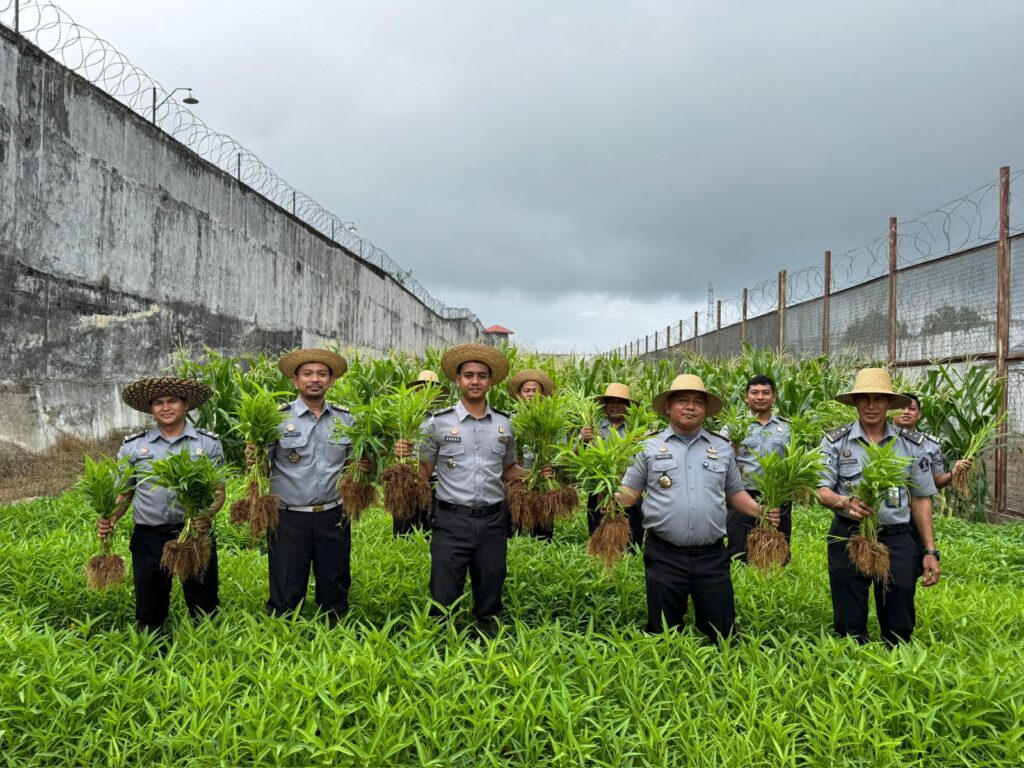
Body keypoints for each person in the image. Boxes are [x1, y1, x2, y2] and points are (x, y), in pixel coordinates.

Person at [616, 375, 779, 642]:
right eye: (682, 400)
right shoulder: (647, 446)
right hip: (664, 554)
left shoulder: (722, 448)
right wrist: (608, 492)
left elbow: (735, 493)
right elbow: (629, 494)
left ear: (705, 410)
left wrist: (760, 511)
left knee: (722, 633)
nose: (690, 406)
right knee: (663, 633)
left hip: (712, 556)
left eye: (697, 402)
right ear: (668, 407)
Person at [394, 343, 529, 636]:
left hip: (493, 520)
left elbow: (509, 470)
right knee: (444, 585)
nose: (475, 381)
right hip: (451, 518)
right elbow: (424, 472)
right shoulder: (438, 423)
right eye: (469, 375)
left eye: (482, 375)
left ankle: (487, 633)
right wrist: (402, 460)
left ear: (490, 382)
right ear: (458, 380)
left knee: (492, 580)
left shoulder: (505, 424)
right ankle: (442, 640)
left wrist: (539, 474)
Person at [816, 368, 940, 646]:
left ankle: (895, 666)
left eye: (879, 399)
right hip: (850, 535)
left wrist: (930, 551)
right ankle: (852, 667)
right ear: (856, 402)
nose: (871, 405)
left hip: (896, 538)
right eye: (864, 399)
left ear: (889, 404)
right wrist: (843, 502)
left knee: (899, 621)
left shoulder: (910, 445)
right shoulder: (837, 441)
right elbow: (821, 489)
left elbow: (921, 498)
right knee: (848, 619)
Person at [97, 376, 224, 636]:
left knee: (204, 602)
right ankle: (152, 656)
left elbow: (218, 491)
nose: (165, 407)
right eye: (158, 403)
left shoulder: (207, 443)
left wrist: (206, 515)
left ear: (185, 405)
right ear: (150, 408)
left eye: (172, 401)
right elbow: (124, 493)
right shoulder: (134, 446)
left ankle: (209, 651)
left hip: (194, 534)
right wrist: (111, 518)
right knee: (150, 605)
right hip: (149, 536)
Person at [260, 348, 370, 625]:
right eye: (307, 373)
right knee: (286, 579)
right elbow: (262, 468)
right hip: (288, 515)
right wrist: (254, 454)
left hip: (333, 514)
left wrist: (366, 465)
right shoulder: (277, 418)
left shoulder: (346, 420)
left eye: (322, 374)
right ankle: (284, 632)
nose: (315, 379)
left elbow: (352, 465)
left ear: (331, 381)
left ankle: (333, 628)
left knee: (335, 578)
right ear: (295, 380)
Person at [892, 392, 971, 572]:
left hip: (913, 514)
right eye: (900, 408)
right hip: (887, 511)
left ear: (919, 415)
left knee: (906, 568)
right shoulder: (880, 438)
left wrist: (953, 472)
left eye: (912, 409)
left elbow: (936, 481)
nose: (906, 412)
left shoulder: (930, 444)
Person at [726, 375, 794, 563]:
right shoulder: (733, 427)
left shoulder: (787, 429)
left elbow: (794, 460)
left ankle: (776, 583)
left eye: (766, 392)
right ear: (746, 397)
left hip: (777, 497)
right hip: (743, 495)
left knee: (779, 549)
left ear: (774, 397)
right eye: (754, 392)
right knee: (739, 550)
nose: (760, 397)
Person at [581, 383, 645, 547]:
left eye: (620, 402)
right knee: (598, 538)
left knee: (632, 538)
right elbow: (575, 456)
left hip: (629, 490)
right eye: (611, 401)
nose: (615, 406)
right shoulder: (593, 428)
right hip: (599, 491)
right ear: (605, 404)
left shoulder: (637, 430)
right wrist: (583, 441)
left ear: (628, 406)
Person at [392, 370, 446, 538]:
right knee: (404, 532)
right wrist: (396, 450)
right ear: (415, 391)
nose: (427, 393)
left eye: (432, 389)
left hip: (435, 484)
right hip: (406, 482)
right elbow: (383, 450)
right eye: (423, 388)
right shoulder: (400, 418)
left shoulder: (444, 420)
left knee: (432, 531)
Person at [507, 368, 558, 541]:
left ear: (543, 395)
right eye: (526, 390)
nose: (530, 394)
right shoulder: (508, 420)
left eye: (535, 391)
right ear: (519, 394)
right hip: (516, 486)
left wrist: (552, 466)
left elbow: (562, 453)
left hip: (543, 485)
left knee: (543, 534)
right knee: (515, 532)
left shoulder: (552, 419)